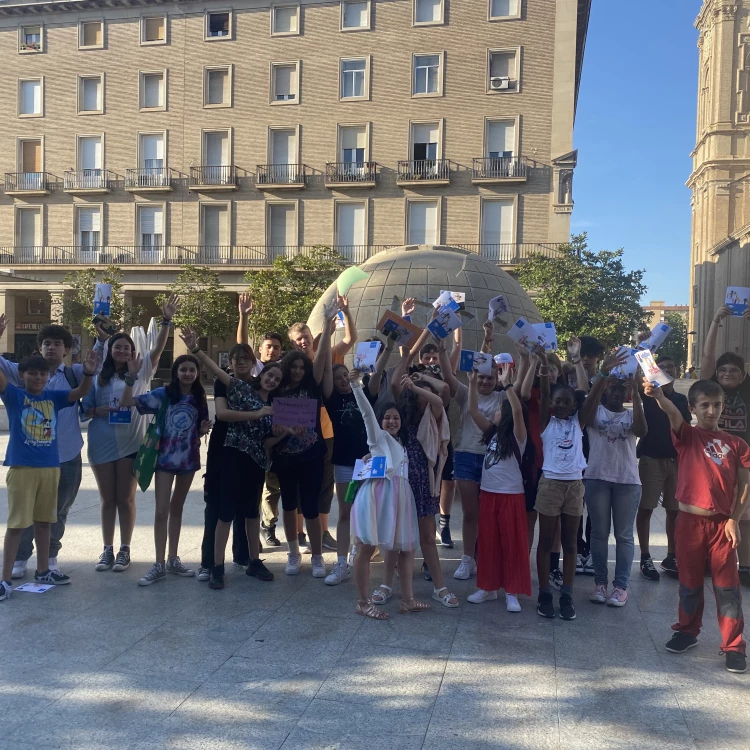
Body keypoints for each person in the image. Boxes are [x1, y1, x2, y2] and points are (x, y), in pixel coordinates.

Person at [644, 378, 749, 674]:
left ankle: (734, 646)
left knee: (727, 588)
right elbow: (671, 413)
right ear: (693, 408)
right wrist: (658, 396)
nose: (711, 411)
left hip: (721, 526)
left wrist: (734, 519)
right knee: (689, 583)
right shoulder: (687, 436)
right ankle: (687, 631)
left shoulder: (737, 445)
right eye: (705, 405)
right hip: (688, 523)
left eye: (716, 405)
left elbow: (744, 487)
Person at [0, 317, 107, 581]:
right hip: (26, 462)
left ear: (66, 350)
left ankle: (48, 562)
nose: (51, 347)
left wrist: (103, 340)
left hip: (65, 456)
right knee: (22, 517)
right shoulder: (20, 377)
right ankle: (20, 559)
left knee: (55, 513)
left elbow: (92, 373)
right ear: (38, 348)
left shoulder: (74, 374)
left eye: (57, 344)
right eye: (46, 343)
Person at [83, 295, 179, 573]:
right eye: (118, 347)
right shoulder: (99, 373)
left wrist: (166, 321)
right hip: (101, 442)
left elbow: (159, 348)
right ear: (111, 351)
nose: (123, 351)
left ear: (133, 351)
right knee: (107, 499)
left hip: (131, 442)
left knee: (125, 498)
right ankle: (107, 549)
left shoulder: (142, 369)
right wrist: (100, 411)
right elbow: (86, 408)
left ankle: (125, 549)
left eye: (127, 347)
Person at [183, 328, 282, 590]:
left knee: (251, 513)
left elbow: (266, 440)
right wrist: (195, 349)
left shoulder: (273, 403)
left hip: (256, 462)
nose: (271, 380)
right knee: (224, 512)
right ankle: (216, 566)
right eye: (269, 375)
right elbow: (215, 372)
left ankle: (253, 560)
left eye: (276, 378)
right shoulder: (237, 387)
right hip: (230, 457)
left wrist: (284, 433)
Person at [535, 347, 627, 620]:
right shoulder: (546, 422)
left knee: (571, 543)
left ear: (574, 405)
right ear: (552, 403)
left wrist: (602, 372)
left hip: (574, 487)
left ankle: (567, 594)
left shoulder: (579, 422)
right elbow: (542, 393)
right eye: (557, 401)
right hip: (550, 485)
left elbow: (593, 396)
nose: (561, 405)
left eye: (567, 402)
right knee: (545, 541)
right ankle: (544, 594)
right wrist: (542, 365)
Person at [371, 360, 458, 608]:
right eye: (415, 385)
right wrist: (407, 361)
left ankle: (439, 588)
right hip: (399, 483)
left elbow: (441, 396)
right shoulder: (400, 418)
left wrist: (422, 381)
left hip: (422, 484)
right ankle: (386, 585)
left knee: (428, 538)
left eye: (425, 386)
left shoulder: (432, 416)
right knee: (393, 539)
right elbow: (397, 382)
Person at [120, 353, 212, 586]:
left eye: (192, 370)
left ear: (197, 373)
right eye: (184, 370)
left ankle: (172, 559)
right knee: (162, 511)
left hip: (189, 460)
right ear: (176, 372)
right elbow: (127, 402)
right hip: (164, 461)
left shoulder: (199, 397)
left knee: (177, 509)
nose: (188, 374)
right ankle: (159, 563)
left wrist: (202, 429)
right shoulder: (163, 394)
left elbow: (198, 431)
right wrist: (130, 379)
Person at [272, 301, 340, 577]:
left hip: (312, 454)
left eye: (302, 367)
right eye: (295, 367)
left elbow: (322, 357)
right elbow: (271, 421)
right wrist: (285, 429)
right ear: (288, 368)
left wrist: (326, 325)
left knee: (310, 505)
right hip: (286, 456)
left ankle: (317, 556)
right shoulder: (279, 389)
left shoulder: (313, 385)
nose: (299, 371)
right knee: (289, 504)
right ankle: (292, 553)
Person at [349, 372, 423, 618]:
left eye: (396, 417)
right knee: (366, 547)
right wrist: (356, 386)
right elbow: (367, 414)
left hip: (399, 499)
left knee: (406, 549)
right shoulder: (377, 438)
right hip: (378, 497)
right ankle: (362, 601)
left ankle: (408, 599)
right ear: (381, 422)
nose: (392, 421)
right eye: (387, 418)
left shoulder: (399, 444)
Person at [287, 297, 357, 552]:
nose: (303, 340)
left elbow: (350, 339)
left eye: (306, 335)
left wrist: (346, 313)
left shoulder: (327, 354)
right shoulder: (291, 367)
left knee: (324, 486)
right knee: (297, 489)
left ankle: (323, 532)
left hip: (326, 433)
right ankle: (299, 534)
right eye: (298, 338)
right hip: (296, 435)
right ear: (292, 343)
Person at [437, 330, 504, 582]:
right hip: (465, 456)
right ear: (475, 377)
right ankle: (467, 559)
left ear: (498, 377)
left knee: (489, 514)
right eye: (481, 377)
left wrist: (487, 344)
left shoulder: (502, 396)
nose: (485, 381)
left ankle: (485, 556)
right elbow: (447, 376)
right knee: (469, 512)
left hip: (492, 459)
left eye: (491, 377)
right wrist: (443, 349)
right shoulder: (466, 392)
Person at [466, 366, 533, 612]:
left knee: (511, 543)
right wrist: (472, 383)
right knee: (488, 542)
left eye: (498, 409)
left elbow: (516, 410)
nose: (494, 411)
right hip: (489, 494)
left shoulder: (518, 436)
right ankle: (488, 586)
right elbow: (473, 410)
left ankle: (512, 591)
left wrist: (506, 386)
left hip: (511, 496)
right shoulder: (491, 434)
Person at [583, 377, 647, 607]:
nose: (617, 393)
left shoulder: (631, 415)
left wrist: (638, 395)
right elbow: (583, 419)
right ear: (605, 390)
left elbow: (642, 430)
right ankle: (600, 583)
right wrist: (601, 380)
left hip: (627, 481)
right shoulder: (595, 411)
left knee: (624, 535)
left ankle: (620, 587)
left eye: (622, 389)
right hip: (597, 478)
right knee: (599, 533)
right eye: (613, 388)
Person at [701, 304, 750, 586]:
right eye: (723, 370)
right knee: (713, 513)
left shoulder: (747, 388)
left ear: (742, 375)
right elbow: (707, 356)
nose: (728, 373)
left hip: (742, 462)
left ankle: (745, 566)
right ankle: (711, 560)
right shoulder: (710, 390)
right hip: (713, 461)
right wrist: (715, 321)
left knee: (743, 516)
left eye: (734, 370)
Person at [321, 355, 377, 586]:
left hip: (367, 460)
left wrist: (390, 347)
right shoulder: (332, 399)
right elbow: (322, 373)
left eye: (345, 375)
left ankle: (361, 551)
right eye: (338, 378)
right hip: (344, 461)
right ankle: (341, 562)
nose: (343, 380)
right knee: (345, 511)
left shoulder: (362, 392)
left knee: (367, 510)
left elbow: (377, 374)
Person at [635, 355, 692, 580]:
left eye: (671, 367)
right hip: (651, 458)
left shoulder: (681, 399)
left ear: (677, 371)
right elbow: (636, 379)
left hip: (676, 460)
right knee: (646, 508)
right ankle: (645, 556)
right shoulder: (647, 393)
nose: (667, 370)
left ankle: (671, 556)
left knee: (674, 510)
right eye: (662, 367)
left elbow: (685, 428)